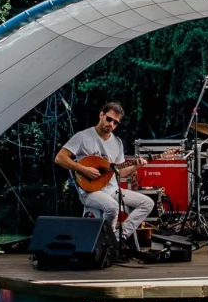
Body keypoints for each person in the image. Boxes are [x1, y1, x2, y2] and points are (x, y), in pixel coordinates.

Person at [55, 101, 153, 248]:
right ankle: (106, 242)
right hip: (90, 191)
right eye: (109, 119)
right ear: (101, 115)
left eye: (115, 123)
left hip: (113, 190)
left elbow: (118, 172)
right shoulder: (83, 137)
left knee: (147, 203)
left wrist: (135, 167)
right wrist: (83, 169)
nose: (111, 124)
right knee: (112, 207)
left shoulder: (117, 143)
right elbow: (60, 158)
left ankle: (118, 238)